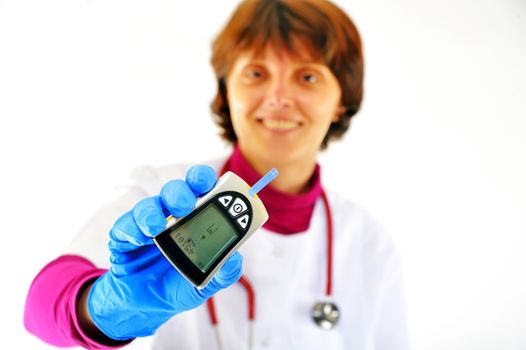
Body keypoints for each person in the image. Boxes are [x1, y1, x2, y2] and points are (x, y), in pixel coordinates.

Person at [24, 0, 409, 349]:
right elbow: (40, 308)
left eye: (307, 77)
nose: (278, 96)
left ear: (342, 99)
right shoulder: (159, 196)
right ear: (226, 91)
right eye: (256, 73)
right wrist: (107, 307)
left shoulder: (371, 246)